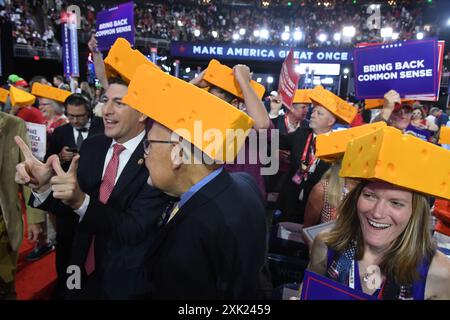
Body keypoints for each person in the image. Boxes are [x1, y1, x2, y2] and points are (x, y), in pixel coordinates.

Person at [16, 78, 171, 299]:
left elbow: (134, 228)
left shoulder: (157, 156)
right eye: (105, 100)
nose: (106, 110)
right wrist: (43, 186)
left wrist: (81, 201)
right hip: (78, 263)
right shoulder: (92, 145)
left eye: (119, 102)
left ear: (143, 113)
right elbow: (70, 208)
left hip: (125, 277)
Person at [124, 64, 267, 299]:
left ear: (178, 153)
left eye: (148, 145)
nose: (144, 156)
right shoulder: (244, 183)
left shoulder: (189, 235)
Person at [305, 128, 450, 300]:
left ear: (415, 213)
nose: (377, 213)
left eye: (396, 203)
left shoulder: (439, 272)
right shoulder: (326, 244)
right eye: (369, 196)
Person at [0, 111, 45, 299]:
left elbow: (28, 173)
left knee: (4, 284)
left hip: (3, 219)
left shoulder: (13, 125)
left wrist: (35, 219)